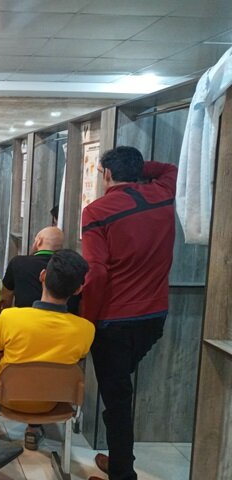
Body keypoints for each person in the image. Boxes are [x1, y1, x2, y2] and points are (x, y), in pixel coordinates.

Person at [81, 146, 177, 480]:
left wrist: (87, 322)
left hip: (113, 323)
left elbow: (96, 271)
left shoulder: (97, 211)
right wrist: (133, 169)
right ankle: (119, 459)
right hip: (154, 319)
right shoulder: (162, 194)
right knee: (119, 388)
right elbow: (170, 169)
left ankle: (123, 473)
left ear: (106, 174)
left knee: (117, 399)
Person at [0, 249, 95, 450]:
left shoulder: (10, 317)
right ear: (78, 289)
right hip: (52, 401)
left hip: (7, 397)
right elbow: (74, 364)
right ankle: (33, 429)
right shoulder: (86, 329)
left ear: (43, 276)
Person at [1, 226, 64, 309]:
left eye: (35, 240)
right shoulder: (68, 268)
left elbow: (6, 296)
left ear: (39, 242)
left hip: (24, 316)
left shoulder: (18, 262)